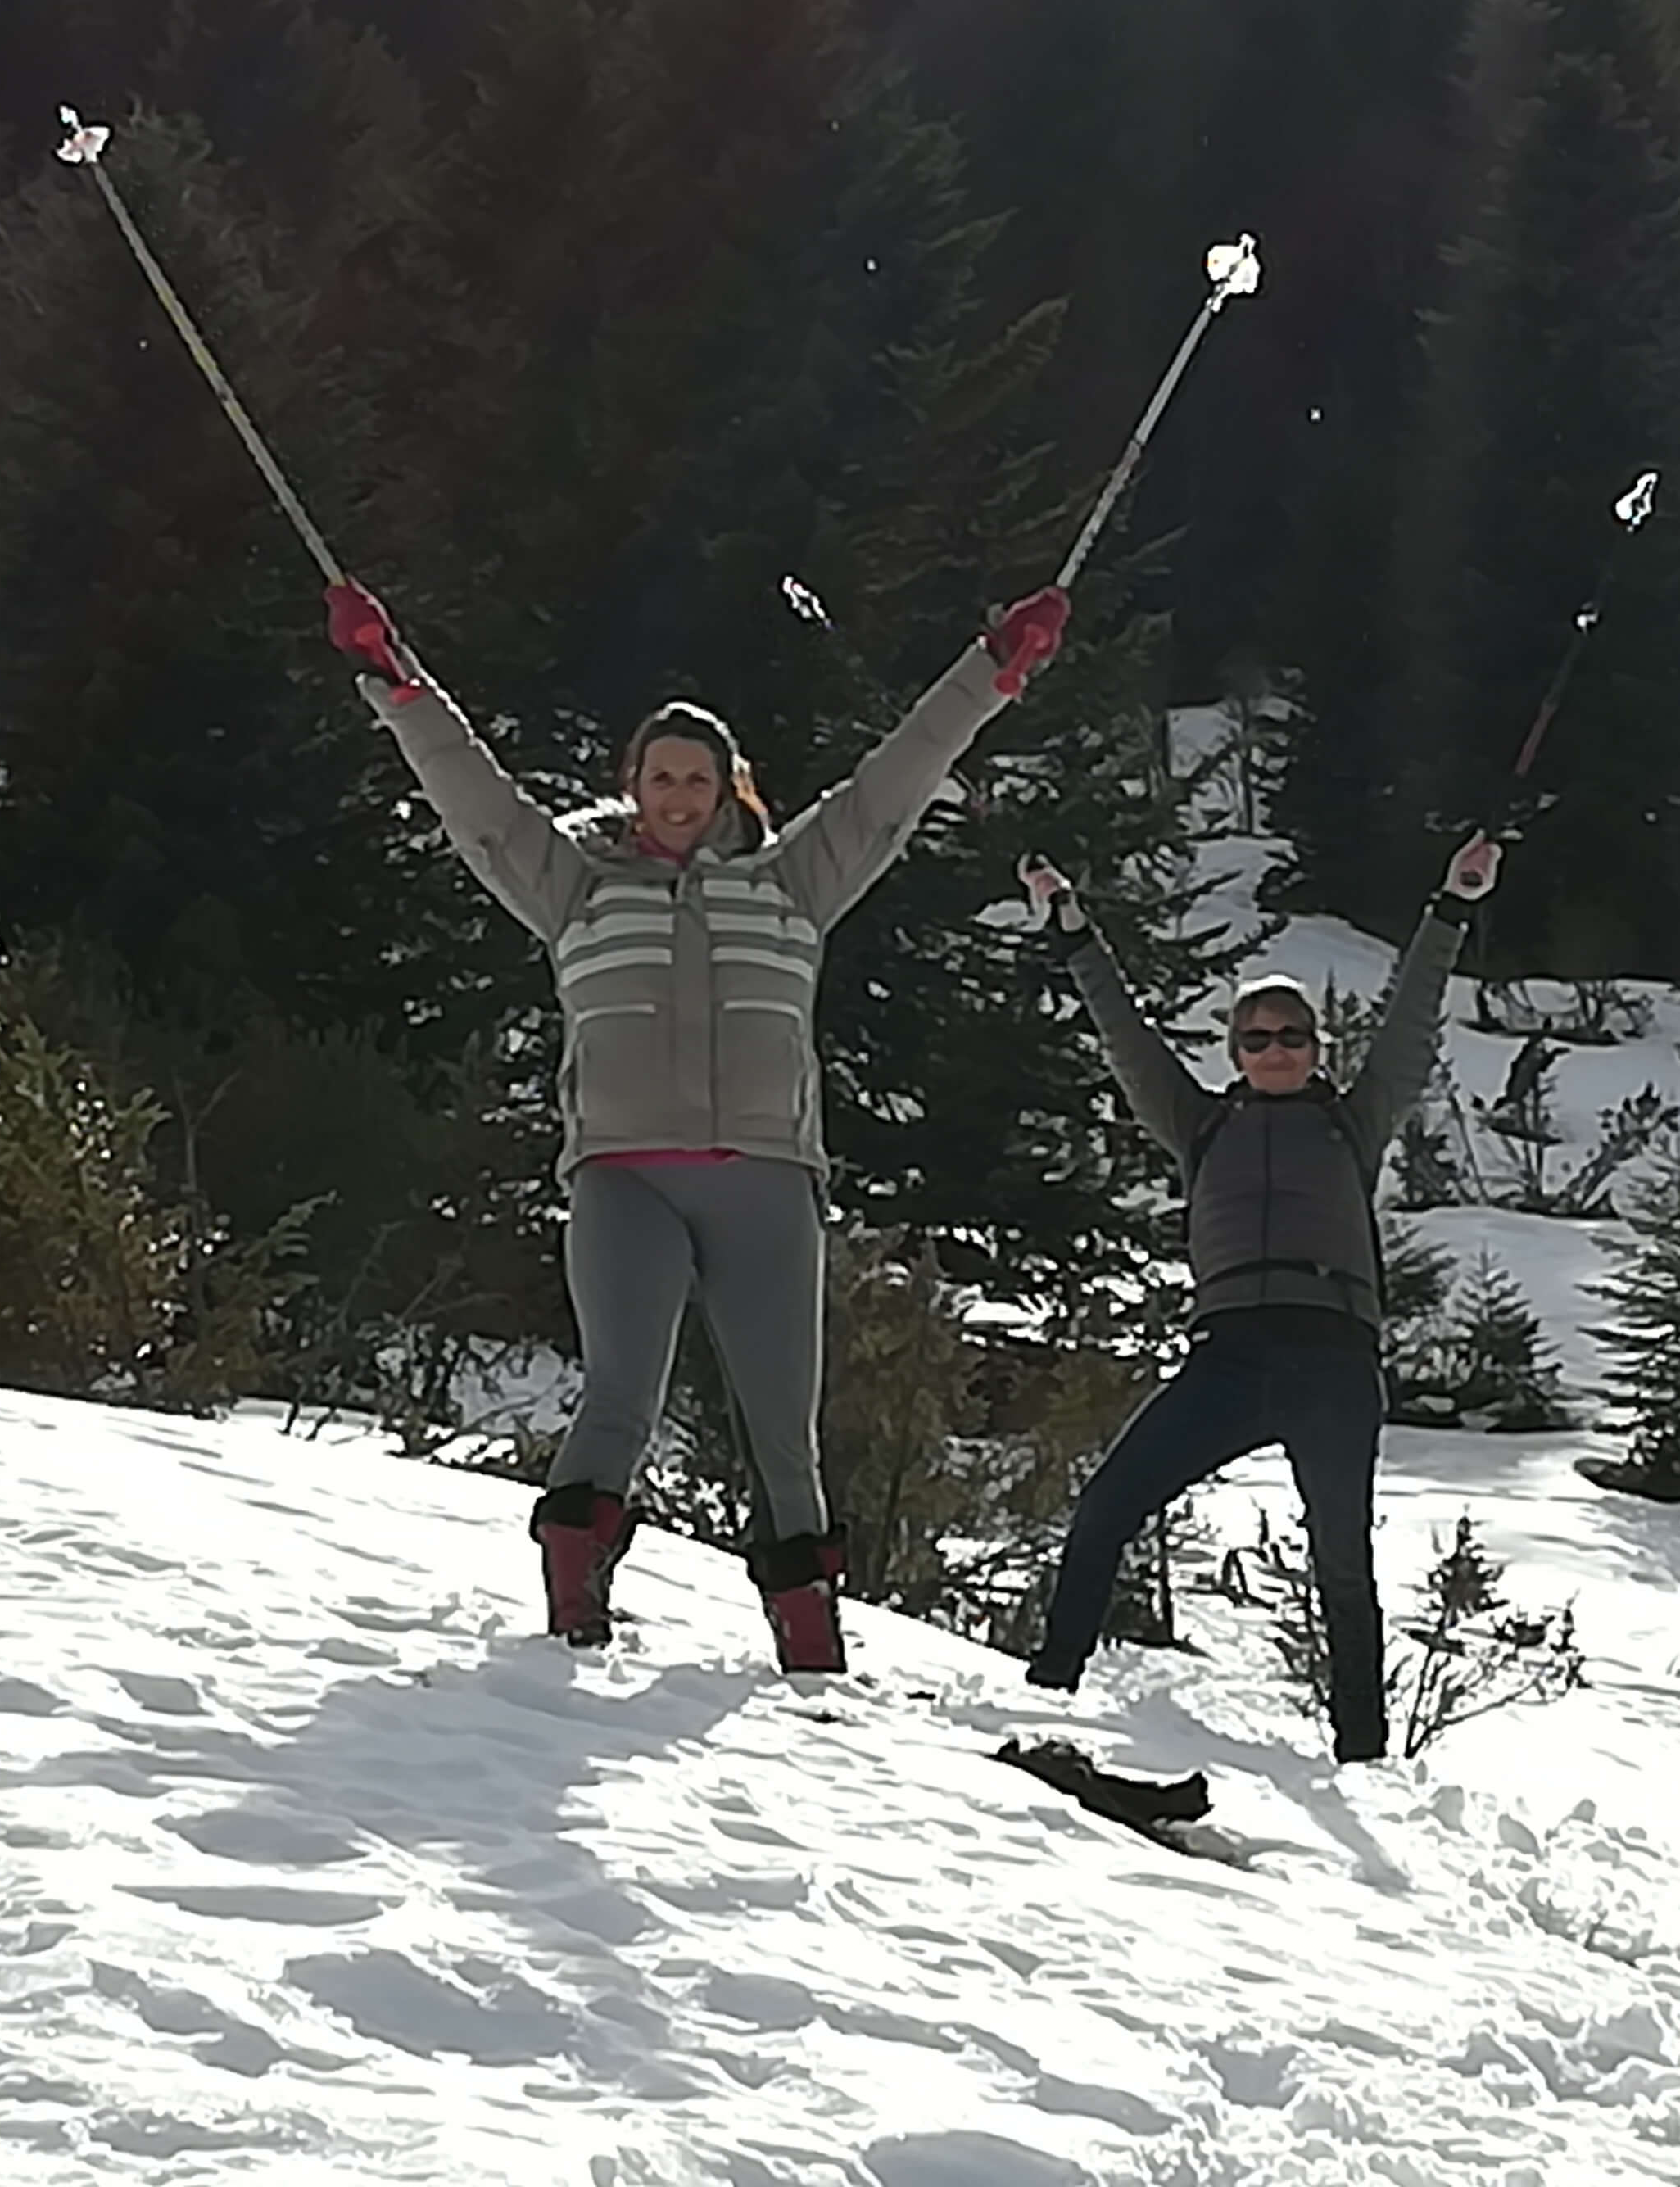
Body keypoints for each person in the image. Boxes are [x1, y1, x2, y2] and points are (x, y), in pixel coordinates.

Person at [325, 573, 1071, 1673]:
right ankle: (575, 1606)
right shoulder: (574, 888)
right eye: (662, 776)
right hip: (624, 1177)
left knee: (784, 1428)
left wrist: (992, 671)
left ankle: (810, 1647)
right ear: (633, 787)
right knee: (621, 1388)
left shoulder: (795, 883)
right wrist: (397, 679)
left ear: (729, 788)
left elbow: (895, 779)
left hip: (765, 1182)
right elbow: (475, 800)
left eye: (699, 777)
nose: (680, 794)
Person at [1017, 831, 1501, 1760]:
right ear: (1233, 1049)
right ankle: (1049, 1689)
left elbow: (1408, 1024)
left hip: (1333, 1362)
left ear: (1317, 1048)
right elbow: (1123, 1034)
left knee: (1341, 1564)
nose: (1274, 1049)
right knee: (1107, 1506)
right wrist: (1071, 929)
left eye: (1291, 1035)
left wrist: (1451, 905)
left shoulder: (1350, 1122)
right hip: (1227, 1360)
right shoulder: (1197, 1125)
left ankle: (1360, 1754)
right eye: (1255, 1037)